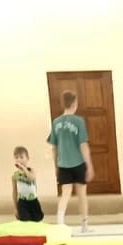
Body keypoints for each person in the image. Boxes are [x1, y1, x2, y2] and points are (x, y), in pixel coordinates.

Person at [48, 90, 93, 232]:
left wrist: (56, 165)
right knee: (82, 194)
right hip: (78, 163)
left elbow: (54, 147)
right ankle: (84, 225)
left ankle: (60, 222)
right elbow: (83, 145)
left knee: (65, 193)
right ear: (74, 103)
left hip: (63, 164)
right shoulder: (78, 121)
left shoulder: (56, 122)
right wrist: (89, 165)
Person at [11, 145, 44, 223]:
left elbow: (31, 178)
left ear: (27, 158)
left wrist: (24, 169)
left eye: (21, 157)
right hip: (22, 202)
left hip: (33, 201)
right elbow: (14, 192)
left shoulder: (31, 170)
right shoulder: (15, 175)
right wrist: (15, 208)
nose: (19, 159)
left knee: (37, 219)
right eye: (16, 157)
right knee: (25, 221)